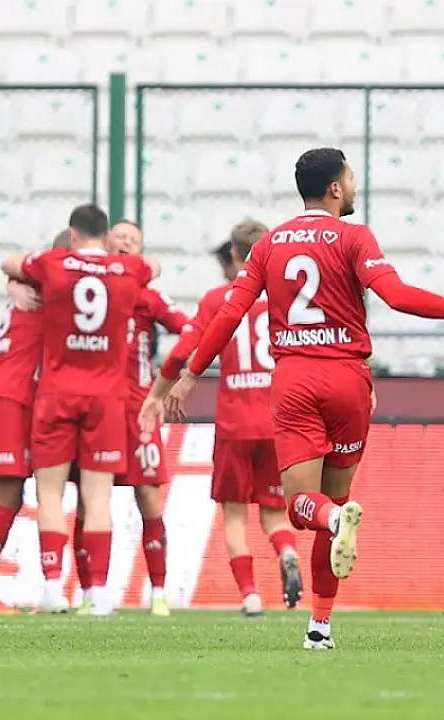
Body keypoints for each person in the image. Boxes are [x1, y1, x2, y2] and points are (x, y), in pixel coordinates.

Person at [143, 147, 444, 649]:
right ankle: (319, 625)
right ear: (336, 188)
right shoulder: (355, 237)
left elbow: (229, 314)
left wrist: (191, 375)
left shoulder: (269, 244)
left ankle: (334, 527)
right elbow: (397, 296)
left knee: (305, 508)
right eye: (351, 178)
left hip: (295, 381)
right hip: (349, 380)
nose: (355, 185)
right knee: (334, 500)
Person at [1, 204, 154, 615]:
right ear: (107, 237)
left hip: (57, 392)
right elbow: (152, 268)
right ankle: (98, 593)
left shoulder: (53, 263)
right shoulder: (129, 270)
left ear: (72, 235)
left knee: (49, 492)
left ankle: (53, 588)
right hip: (106, 396)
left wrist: (15, 282)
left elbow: (9, 261)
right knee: (97, 496)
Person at [151, 220, 303, 618]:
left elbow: (183, 351)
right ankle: (287, 552)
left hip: (235, 423)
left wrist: (158, 394)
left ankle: (250, 596)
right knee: (274, 512)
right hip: (278, 421)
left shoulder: (219, 299)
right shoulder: (289, 299)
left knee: (234, 514)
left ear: (234, 253)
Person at [68, 219, 188, 617]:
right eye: (119, 237)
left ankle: (159, 592)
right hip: (92, 408)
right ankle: (91, 592)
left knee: (148, 497)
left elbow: (190, 331)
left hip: (138, 410)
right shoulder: (82, 290)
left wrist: (170, 381)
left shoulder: (147, 296)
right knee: (88, 500)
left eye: (133, 240)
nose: (125, 243)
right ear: (104, 242)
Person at [0, 230, 66, 616]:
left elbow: (10, 263)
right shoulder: (60, 291)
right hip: (12, 395)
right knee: (8, 492)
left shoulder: (37, 286)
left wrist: (13, 282)